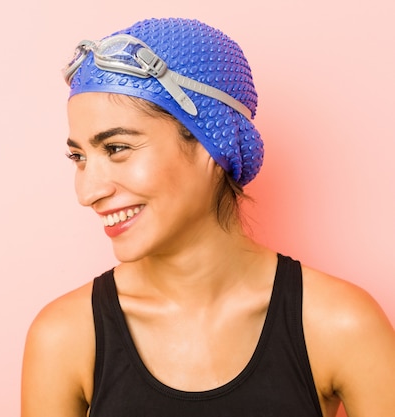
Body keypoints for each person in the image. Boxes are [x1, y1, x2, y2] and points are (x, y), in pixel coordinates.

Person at [20, 17, 395, 417]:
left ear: (211, 145)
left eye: (116, 148)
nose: (87, 192)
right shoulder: (65, 337)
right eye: (79, 157)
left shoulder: (341, 325)